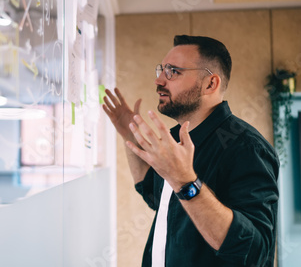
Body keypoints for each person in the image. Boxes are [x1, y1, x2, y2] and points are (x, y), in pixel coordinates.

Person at [103, 35, 279, 266]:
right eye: (161, 70)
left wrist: (186, 182)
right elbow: (157, 197)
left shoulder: (247, 148)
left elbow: (254, 251)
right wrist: (129, 133)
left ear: (210, 84)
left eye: (173, 71)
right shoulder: (175, 139)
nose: (158, 80)